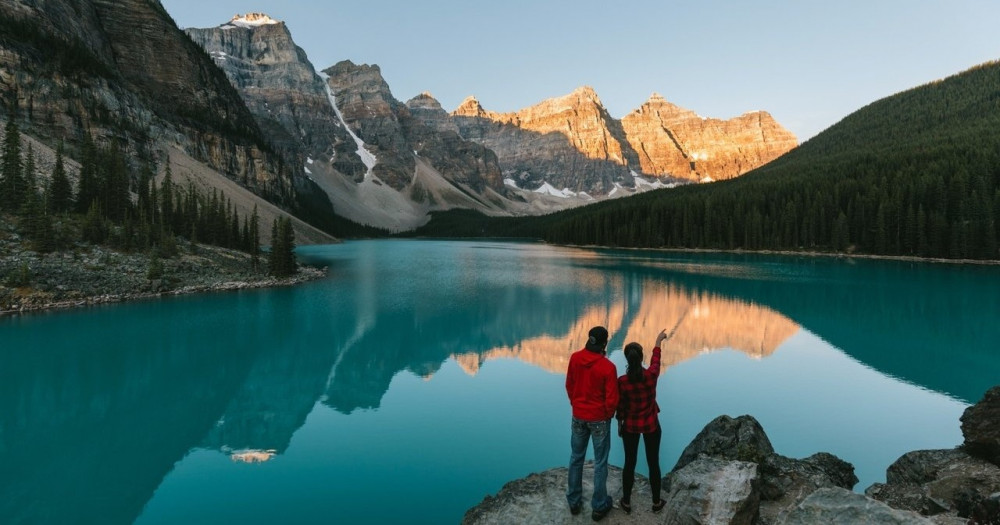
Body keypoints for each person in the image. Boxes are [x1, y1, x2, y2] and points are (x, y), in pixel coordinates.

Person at [566, 326, 619, 522]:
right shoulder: (608, 367)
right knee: (600, 462)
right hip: (599, 420)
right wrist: (605, 415)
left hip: (578, 416)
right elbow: (612, 399)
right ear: (605, 343)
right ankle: (598, 505)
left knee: (576, 457)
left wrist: (576, 404)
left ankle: (573, 500)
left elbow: (569, 385)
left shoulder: (575, 358)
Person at [616, 329, 670, 514]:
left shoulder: (622, 381)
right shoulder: (651, 376)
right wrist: (658, 341)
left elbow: (621, 406)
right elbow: (656, 361)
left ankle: (626, 502)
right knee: (653, 463)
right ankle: (656, 502)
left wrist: (619, 423)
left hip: (630, 426)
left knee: (629, 463)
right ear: (641, 358)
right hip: (651, 425)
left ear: (627, 359)